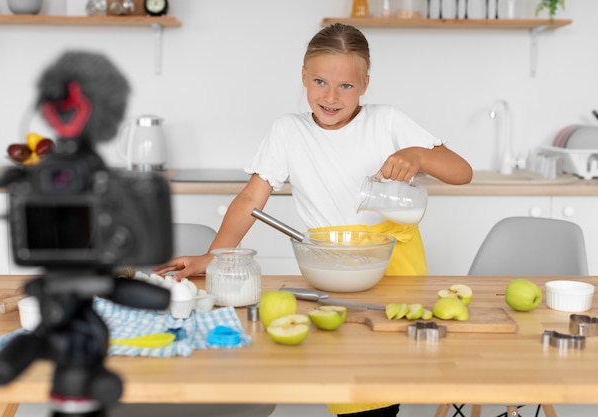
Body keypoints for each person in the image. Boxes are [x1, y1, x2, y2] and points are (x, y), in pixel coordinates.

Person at [153, 23, 472, 417]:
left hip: (395, 265)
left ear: (366, 84)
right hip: (330, 265)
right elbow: (251, 198)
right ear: (303, 76)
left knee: (384, 374)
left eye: (346, 86)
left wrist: (419, 156)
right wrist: (211, 257)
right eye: (320, 81)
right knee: (349, 376)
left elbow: (462, 171)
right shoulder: (289, 131)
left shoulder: (388, 121)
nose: (331, 96)